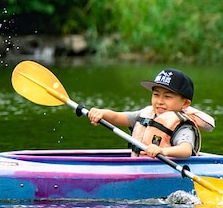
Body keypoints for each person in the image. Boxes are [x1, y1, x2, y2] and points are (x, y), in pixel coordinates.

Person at [87, 68, 215, 159]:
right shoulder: (146, 114)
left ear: (185, 104)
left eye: (167, 97)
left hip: (167, 171)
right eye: (156, 95)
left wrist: (162, 151)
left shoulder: (183, 126)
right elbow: (117, 117)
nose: (159, 101)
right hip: (138, 168)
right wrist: (102, 113)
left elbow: (186, 150)